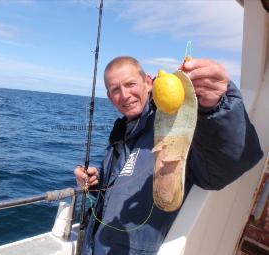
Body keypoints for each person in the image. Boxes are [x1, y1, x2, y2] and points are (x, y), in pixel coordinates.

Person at [74, 56, 263, 254]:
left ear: (148, 83)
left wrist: (216, 107)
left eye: (130, 84)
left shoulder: (173, 124)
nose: (125, 95)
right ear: (110, 97)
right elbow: (120, 184)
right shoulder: (120, 135)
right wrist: (95, 182)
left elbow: (223, 167)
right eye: (115, 90)